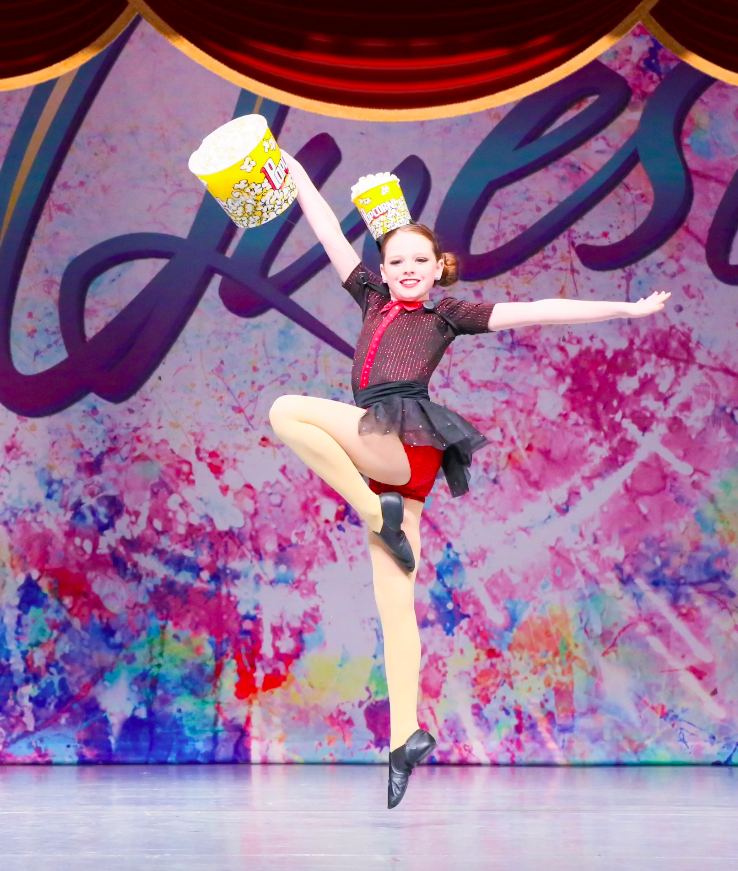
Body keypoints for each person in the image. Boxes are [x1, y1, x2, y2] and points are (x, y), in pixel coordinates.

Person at [269, 152, 670, 808]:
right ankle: (405, 737)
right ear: (382, 269)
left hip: (402, 444)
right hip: (394, 469)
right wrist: (296, 175)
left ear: (437, 270)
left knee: (287, 410)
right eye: (395, 260)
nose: (406, 269)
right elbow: (326, 230)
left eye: (418, 261)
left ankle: (374, 515)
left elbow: (539, 309)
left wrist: (624, 311)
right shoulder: (370, 297)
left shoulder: (447, 315)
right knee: (395, 605)